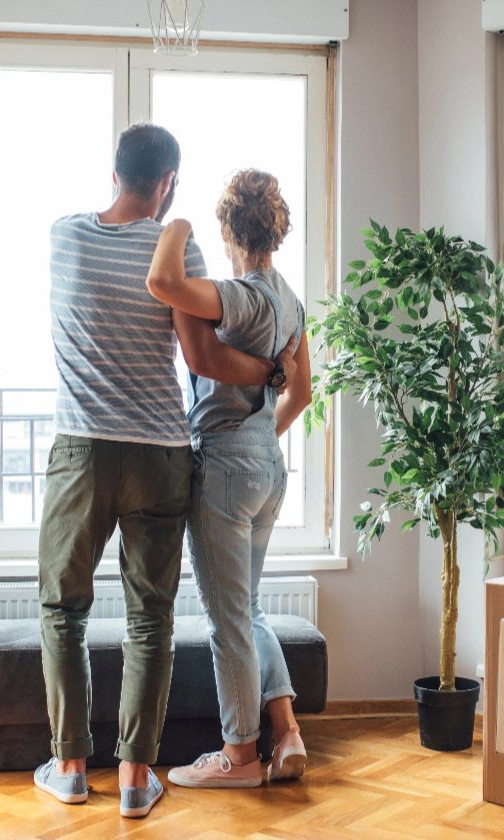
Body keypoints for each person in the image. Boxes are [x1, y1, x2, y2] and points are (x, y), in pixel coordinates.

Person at [33, 125, 294, 819]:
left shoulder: (63, 236)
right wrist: (272, 374)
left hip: (83, 451)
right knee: (151, 616)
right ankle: (134, 780)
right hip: (160, 453)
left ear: (113, 172)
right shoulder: (179, 250)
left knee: (64, 609)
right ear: (168, 181)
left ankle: (67, 766)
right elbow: (203, 360)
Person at [145, 169, 314, 788]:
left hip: (224, 464)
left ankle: (239, 757)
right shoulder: (292, 299)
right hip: (269, 467)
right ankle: (287, 733)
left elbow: (163, 281)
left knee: (227, 620)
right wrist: (261, 440)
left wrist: (178, 222)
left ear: (226, 229)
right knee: (248, 606)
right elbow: (304, 389)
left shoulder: (242, 295)